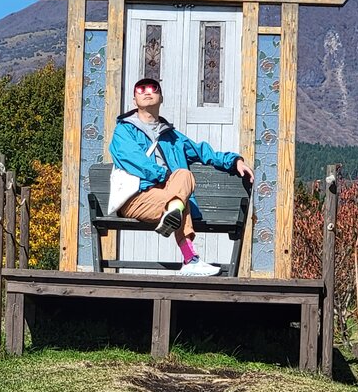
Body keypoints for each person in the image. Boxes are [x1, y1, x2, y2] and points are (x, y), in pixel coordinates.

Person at [109, 77, 254, 277]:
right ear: (134, 100)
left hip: (167, 197)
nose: (147, 91)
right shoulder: (123, 130)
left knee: (184, 176)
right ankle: (189, 256)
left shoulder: (173, 137)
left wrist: (234, 160)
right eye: (141, 89)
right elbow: (133, 160)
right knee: (180, 197)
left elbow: (204, 152)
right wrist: (165, 176)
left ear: (161, 97)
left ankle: (175, 215)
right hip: (136, 197)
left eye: (153, 88)